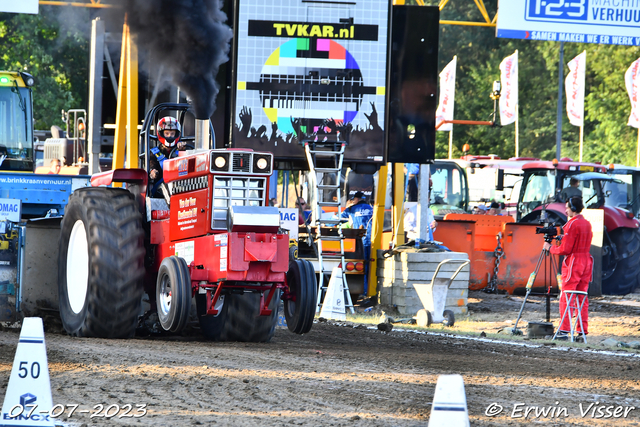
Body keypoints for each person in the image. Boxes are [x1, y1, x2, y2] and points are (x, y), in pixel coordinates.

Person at [543, 196, 593, 341]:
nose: (565, 210)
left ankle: (564, 330)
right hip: (587, 262)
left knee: (566, 296)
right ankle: (582, 332)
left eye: (567, 207)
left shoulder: (572, 224)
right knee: (582, 297)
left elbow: (565, 249)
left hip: (574, 263)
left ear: (573, 208)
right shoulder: (587, 224)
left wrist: (550, 247)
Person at [340, 191, 374, 293]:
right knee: (369, 266)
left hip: (360, 241)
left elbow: (338, 218)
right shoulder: (372, 209)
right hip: (372, 241)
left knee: (361, 267)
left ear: (356, 199)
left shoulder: (351, 209)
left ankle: (362, 292)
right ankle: (369, 291)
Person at [149, 116, 187, 196]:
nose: (170, 136)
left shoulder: (183, 149)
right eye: (167, 133)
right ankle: (174, 207)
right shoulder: (155, 152)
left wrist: (182, 152)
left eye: (172, 134)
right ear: (161, 133)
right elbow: (151, 165)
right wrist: (153, 171)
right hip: (161, 186)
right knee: (168, 186)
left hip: (182, 183)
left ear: (176, 134)